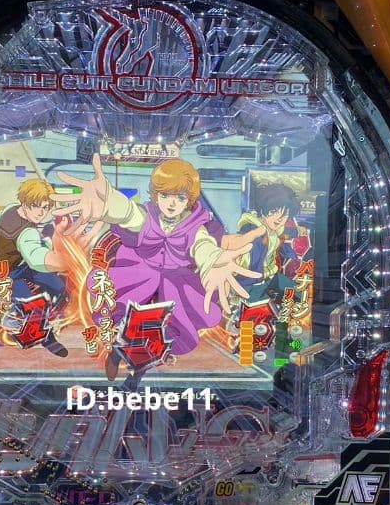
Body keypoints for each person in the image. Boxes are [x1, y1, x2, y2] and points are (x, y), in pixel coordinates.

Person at [53, 154, 261, 377]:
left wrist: (212, 260)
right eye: (165, 195)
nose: (172, 203)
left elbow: (202, 245)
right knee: (125, 317)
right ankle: (119, 352)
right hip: (141, 274)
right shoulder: (147, 216)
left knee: (174, 329)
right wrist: (110, 203)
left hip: (176, 282)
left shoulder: (196, 225)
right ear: (156, 195)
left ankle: (143, 362)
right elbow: (129, 213)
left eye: (180, 197)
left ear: (189, 199)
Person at [0, 178, 69, 356]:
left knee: (59, 287)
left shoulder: (10, 210)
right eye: (36, 206)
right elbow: (36, 259)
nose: (41, 212)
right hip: (10, 273)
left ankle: (33, 316)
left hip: (21, 265)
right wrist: (63, 260)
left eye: (45, 207)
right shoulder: (27, 233)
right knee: (33, 304)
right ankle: (46, 337)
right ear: (25, 202)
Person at [222, 182, 309, 304]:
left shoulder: (272, 229)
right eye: (273, 211)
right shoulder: (254, 231)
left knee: (301, 295)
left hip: (268, 280)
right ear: (262, 210)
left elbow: (282, 231)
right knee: (294, 299)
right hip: (250, 285)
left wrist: (298, 230)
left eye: (284, 215)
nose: (279, 218)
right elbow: (246, 252)